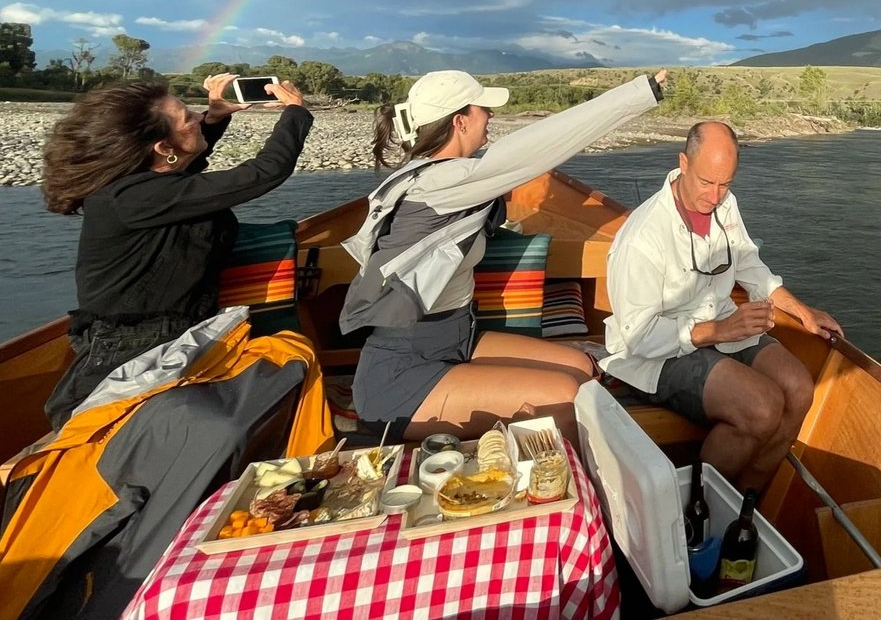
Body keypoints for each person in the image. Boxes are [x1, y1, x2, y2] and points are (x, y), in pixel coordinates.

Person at [343, 68, 667, 442]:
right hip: (404, 370)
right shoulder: (443, 180)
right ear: (460, 121)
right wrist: (641, 93)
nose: (491, 116)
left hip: (457, 338)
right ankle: (573, 496)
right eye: (483, 109)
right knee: (567, 395)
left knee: (582, 365)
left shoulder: (448, 179)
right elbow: (540, 145)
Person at [40, 72, 312, 429]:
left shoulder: (147, 185)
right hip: (131, 345)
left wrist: (215, 117)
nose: (196, 116)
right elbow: (263, 173)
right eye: (189, 118)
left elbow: (183, 171)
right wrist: (295, 111)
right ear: (163, 148)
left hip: (176, 330)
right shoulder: (131, 198)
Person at [601, 121, 842, 492]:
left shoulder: (725, 205)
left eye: (725, 184)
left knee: (798, 389)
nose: (714, 197)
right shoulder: (642, 238)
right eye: (705, 182)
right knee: (760, 408)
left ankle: (746, 506)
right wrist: (719, 331)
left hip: (719, 326)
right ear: (683, 163)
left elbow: (747, 263)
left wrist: (802, 311)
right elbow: (639, 338)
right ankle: (694, 511)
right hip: (658, 354)